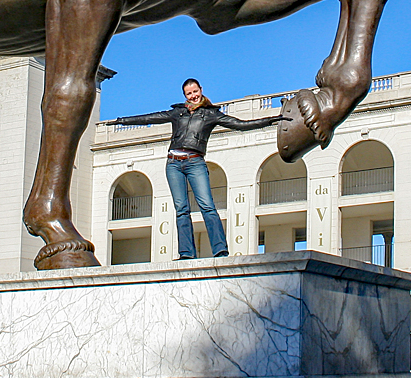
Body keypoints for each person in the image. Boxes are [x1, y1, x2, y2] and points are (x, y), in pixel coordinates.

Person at [108, 79, 285, 260]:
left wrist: (271, 120)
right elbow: (150, 118)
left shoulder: (211, 114)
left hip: (195, 162)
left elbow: (240, 124)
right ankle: (186, 253)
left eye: (195, 91)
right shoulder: (178, 112)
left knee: (207, 206)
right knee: (181, 209)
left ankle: (220, 250)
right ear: (185, 96)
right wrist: (122, 121)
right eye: (189, 94)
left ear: (201, 89)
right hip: (173, 164)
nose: (193, 96)